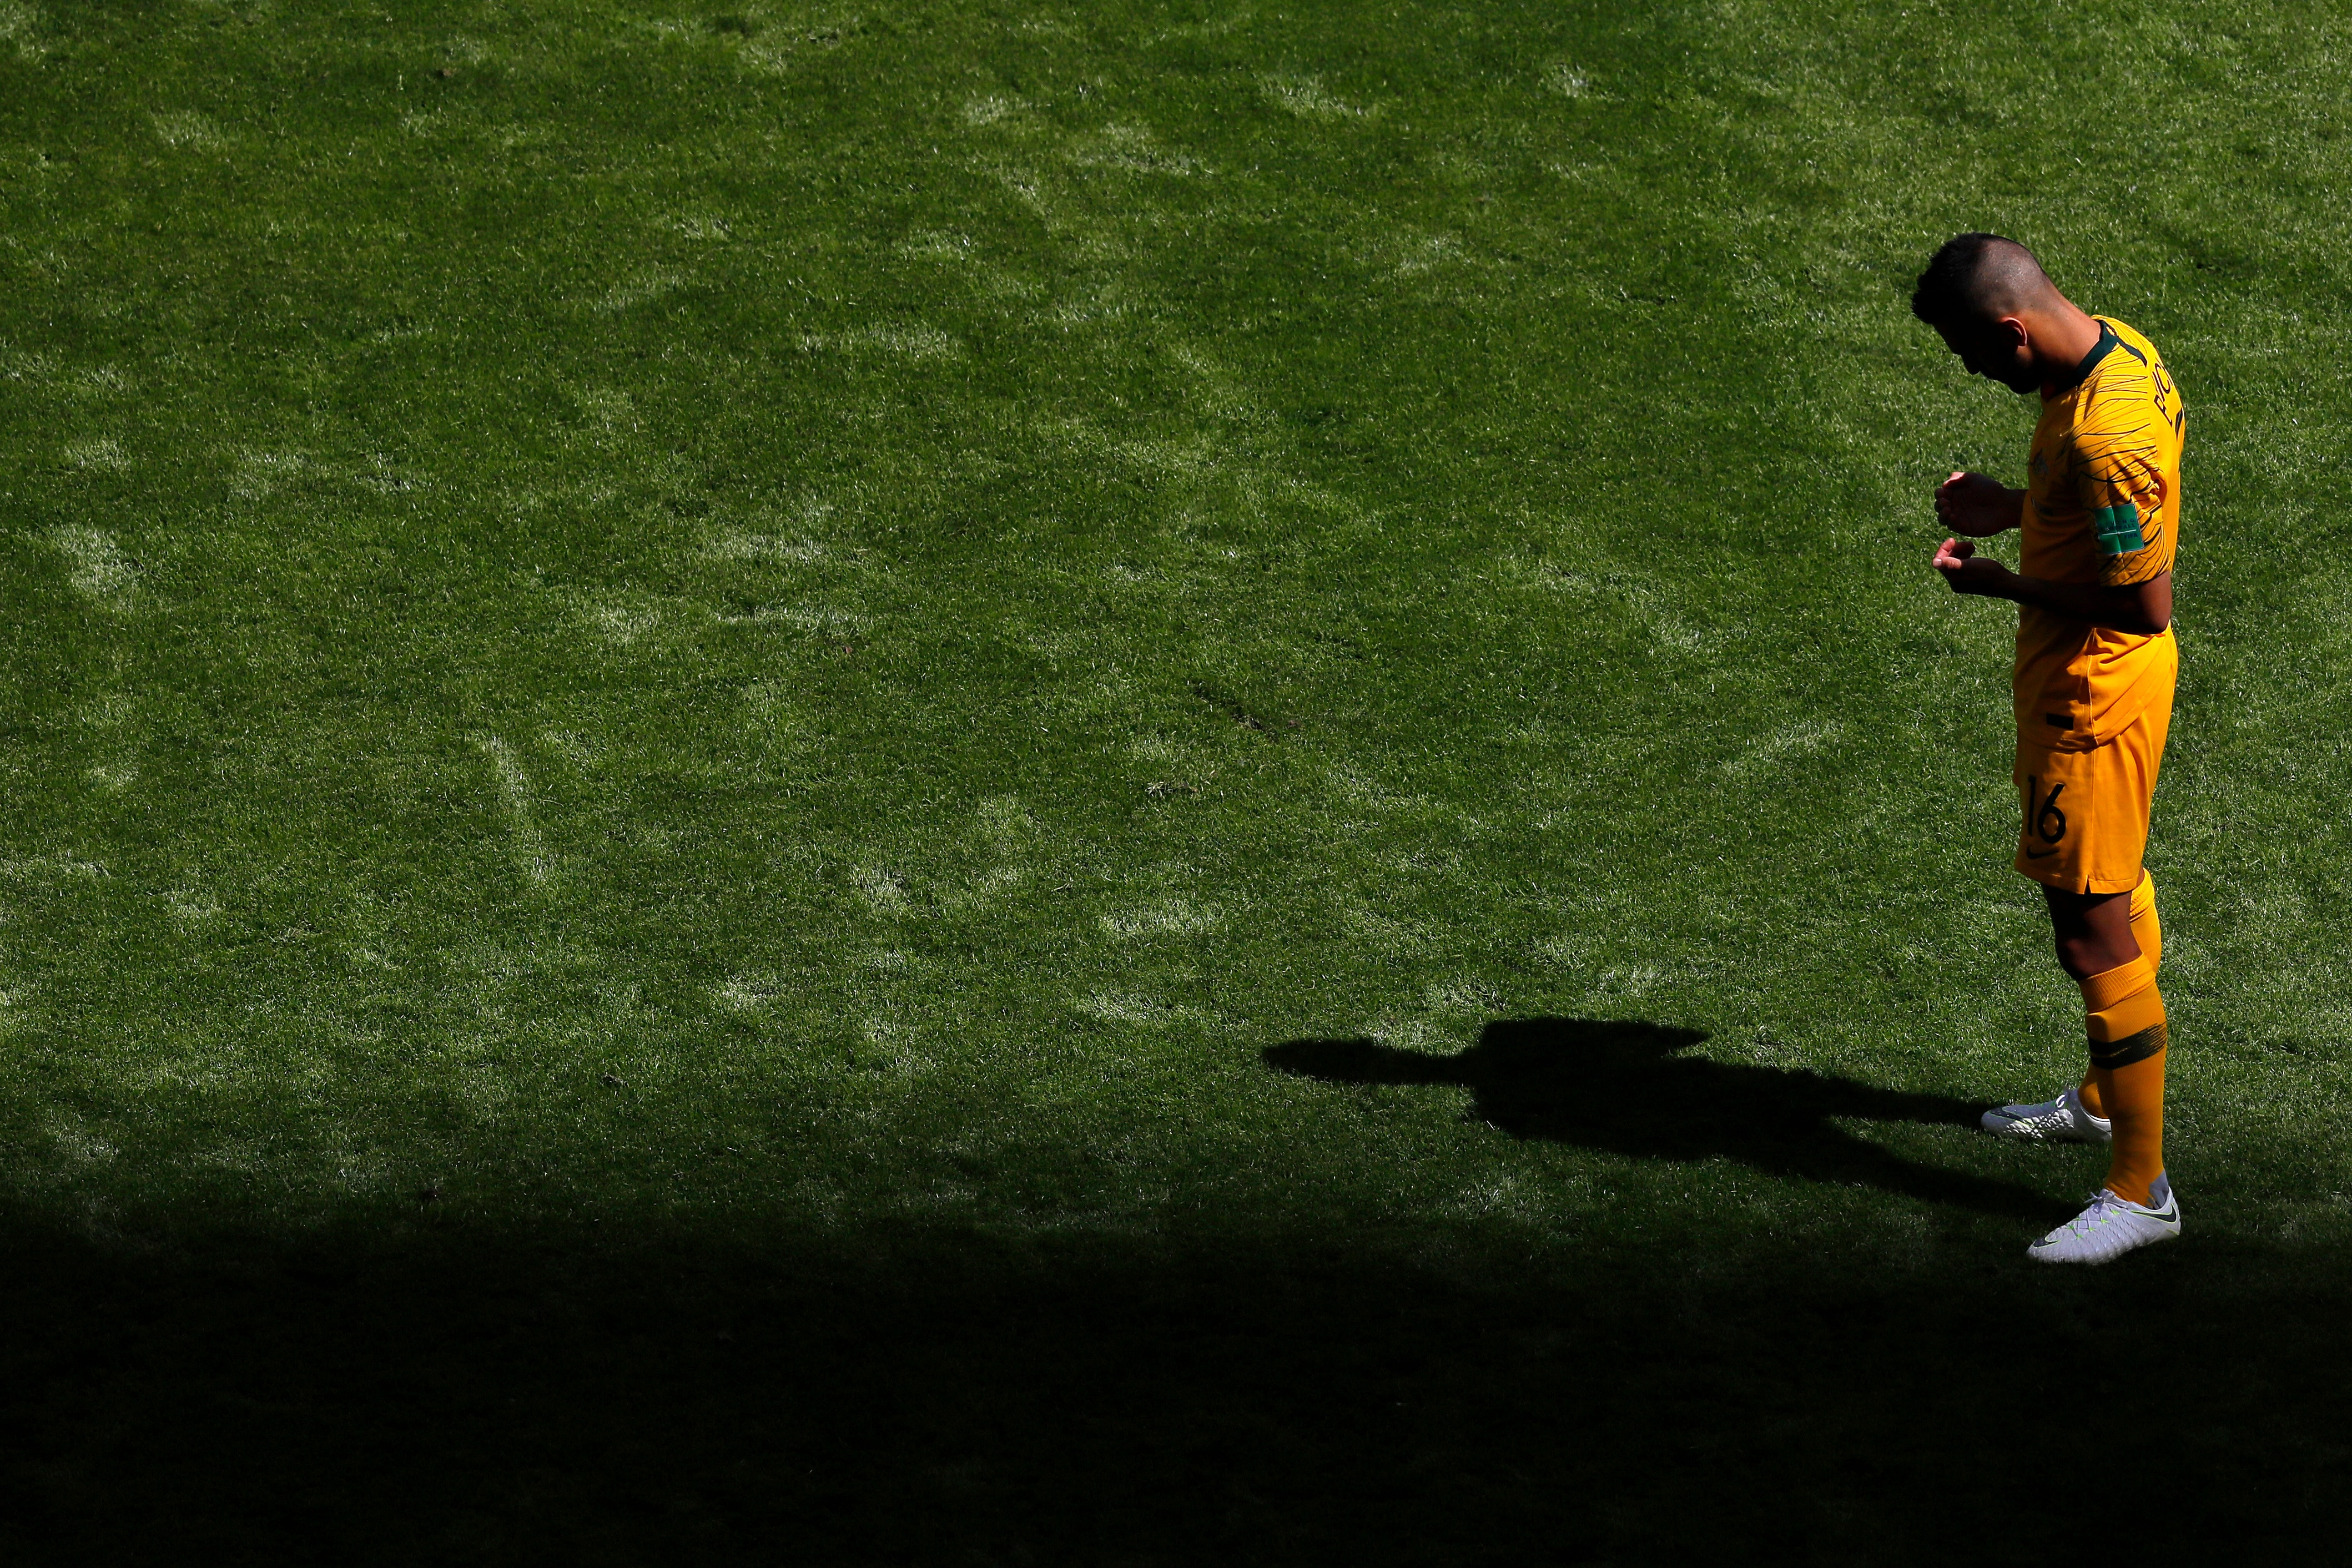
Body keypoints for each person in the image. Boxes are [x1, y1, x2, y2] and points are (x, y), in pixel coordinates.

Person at [1911, 233, 2184, 1264]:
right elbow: (2098, 521)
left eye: (1971, 353)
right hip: (2093, 688)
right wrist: (2014, 511)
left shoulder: (2106, 429)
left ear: (2010, 330)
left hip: (2093, 696)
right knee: (2116, 891)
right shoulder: (2117, 350)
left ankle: (2139, 1190)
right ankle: (2105, 1101)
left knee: (2089, 935)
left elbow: (2142, 605)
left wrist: (2005, 582)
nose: (1972, 371)